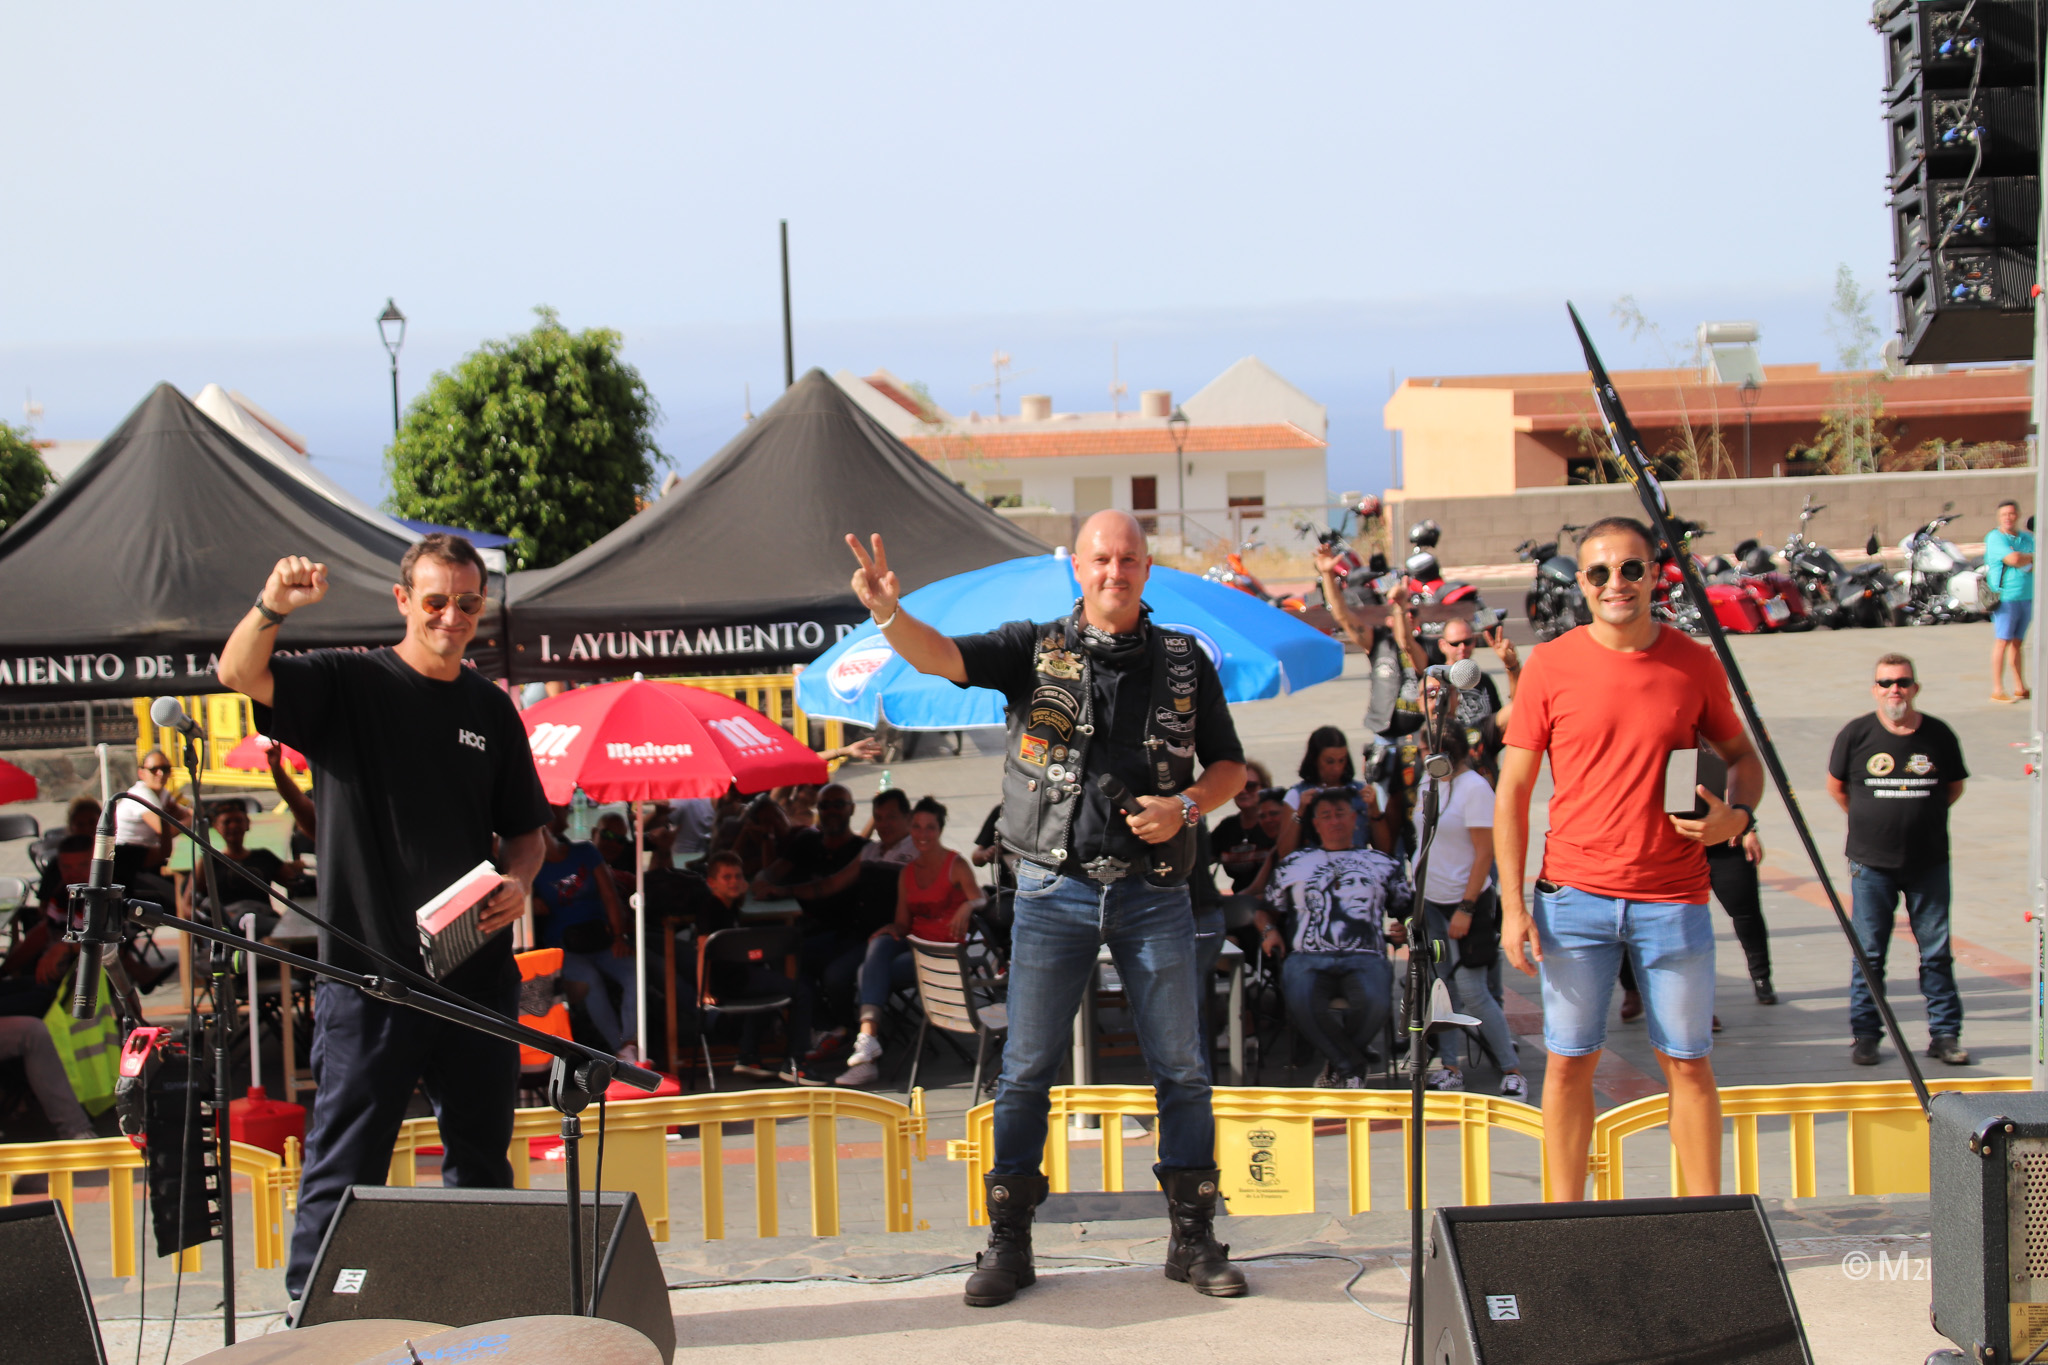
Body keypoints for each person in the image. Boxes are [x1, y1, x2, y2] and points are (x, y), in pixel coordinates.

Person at [846, 510, 1250, 1305]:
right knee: (1025, 1070)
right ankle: (1009, 1242)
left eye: (1129, 559)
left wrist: (1188, 808)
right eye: (1102, 558)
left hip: (1155, 891)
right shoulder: (1034, 647)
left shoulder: (1183, 660)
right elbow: (944, 657)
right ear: (1080, 567)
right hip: (1052, 890)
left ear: (1146, 568)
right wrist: (889, 613)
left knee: (1182, 1070)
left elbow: (1230, 765)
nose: (1115, 571)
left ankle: (1193, 1240)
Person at [218, 534, 551, 1305]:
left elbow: (528, 832)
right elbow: (237, 670)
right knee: (345, 1161)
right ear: (403, 600)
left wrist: (519, 881)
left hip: (473, 972)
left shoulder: (491, 709)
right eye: (436, 600)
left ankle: (478, 1307)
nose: (452, 617)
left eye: (468, 603)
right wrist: (274, 604)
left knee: (481, 1159)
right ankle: (318, 1318)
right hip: (368, 977)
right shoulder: (349, 683)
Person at [1495, 515, 1763, 1202]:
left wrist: (1736, 816)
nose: (1617, 583)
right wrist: (1513, 908)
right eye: (1600, 572)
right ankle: (1564, 1217)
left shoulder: (1693, 661)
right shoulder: (1551, 665)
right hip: (1573, 896)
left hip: (1673, 897)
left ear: (1655, 574)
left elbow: (1742, 758)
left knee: (1690, 1064)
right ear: (1581, 584)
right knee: (1567, 1063)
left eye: (1632, 569)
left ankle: (1708, 1218)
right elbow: (1514, 792)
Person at [1826, 653, 1970, 1067]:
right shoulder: (1856, 734)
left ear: (1915, 688)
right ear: (1875, 689)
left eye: (1903, 682)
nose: (1895, 690)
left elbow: (1953, 788)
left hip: (1928, 863)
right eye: (1886, 683)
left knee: (1936, 952)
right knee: (1869, 953)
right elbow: (1837, 788)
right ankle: (1866, 1035)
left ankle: (1945, 1034)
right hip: (1871, 865)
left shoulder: (1939, 734)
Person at [1256, 787, 1410, 1088]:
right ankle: (1351, 1066)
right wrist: (1268, 931)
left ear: (1355, 819)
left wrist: (1406, 927)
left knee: (1375, 1001)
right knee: (1300, 999)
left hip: (1367, 955)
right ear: (1315, 823)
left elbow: (1407, 909)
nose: (1334, 820)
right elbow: (1264, 911)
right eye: (1326, 815)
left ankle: (1340, 1066)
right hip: (1306, 957)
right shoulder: (1294, 864)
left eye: (1341, 813)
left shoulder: (1382, 863)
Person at [1409, 715, 1523, 1097]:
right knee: (1442, 989)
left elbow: (1483, 853)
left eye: (1426, 751)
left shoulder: (1475, 789)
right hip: (1431, 903)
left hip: (1464, 903)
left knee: (1473, 990)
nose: (1421, 758)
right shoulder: (1429, 781)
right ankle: (1451, 1065)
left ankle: (1510, 1067)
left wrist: (1468, 908)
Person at [836, 797, 981, 1087]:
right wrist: (888, 928)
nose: (922, 834)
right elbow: (903, 925)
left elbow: (981, 898)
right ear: (910, 829)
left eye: (929, 828)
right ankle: (868, 1041)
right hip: (916, 944)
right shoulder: (908, 873)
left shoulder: (955, 864)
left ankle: (868, 1051)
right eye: (917, 827)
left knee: (868, 971)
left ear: (939, 830)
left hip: (943, 954)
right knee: (879, 944)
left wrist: (968, 906)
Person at [692, 851, 813, 1081]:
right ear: (711, 883)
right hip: (730, 983)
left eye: (738, 876)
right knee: (801, 992)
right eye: (727, 877)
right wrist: (703, 992)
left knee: (767, 982)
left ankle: (747, 1056)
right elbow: (703, 952)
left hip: (743, 977)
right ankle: (797, 1060)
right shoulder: (710, 909)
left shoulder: (730, 905)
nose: (734, 882)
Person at [532, 806, 638, 1062]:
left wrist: (618, 936)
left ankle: (632, 1043)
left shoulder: (585, 852)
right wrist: (531, 901)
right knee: (591, 981)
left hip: (601, 938)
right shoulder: (532, 869)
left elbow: (610, 896)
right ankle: (620, 1051)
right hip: (563, 946)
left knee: (634, 974)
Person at [112, 748, 185, 907]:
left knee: (187, 889)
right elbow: (164, 829)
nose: (160, 774)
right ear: (141, 773)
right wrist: (187, 823)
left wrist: (188, 820)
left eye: (165, 769)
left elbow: (185, 814)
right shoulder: (141, 795)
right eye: (154, 769)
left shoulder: (162, 793)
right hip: (126, 857)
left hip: (148, 853)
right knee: (180, 896)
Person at [1986, 499, 2034, 703]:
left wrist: (2025, 556)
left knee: (2017, 643)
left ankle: (2019, 686)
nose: (2009, 518)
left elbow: (2039, 556)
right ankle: (1998, 688)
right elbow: (2013, 559)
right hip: (2005, 598)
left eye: (2012, 514)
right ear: (1999, 517)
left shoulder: (2026, 538)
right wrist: (2028, 557)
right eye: (2005, 514)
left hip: (2027, 596)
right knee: (2002, 641)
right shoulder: (1996, 538)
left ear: (2018, 515)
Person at [1208, 764, 1275, 894]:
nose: (1243, 791)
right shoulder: (1227, 827)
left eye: (1250, 786)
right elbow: (1201, 859)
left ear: (1264, 788)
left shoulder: (1274, 823)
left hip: (1273, 899)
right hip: (1240, 903)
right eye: (1238, 786)